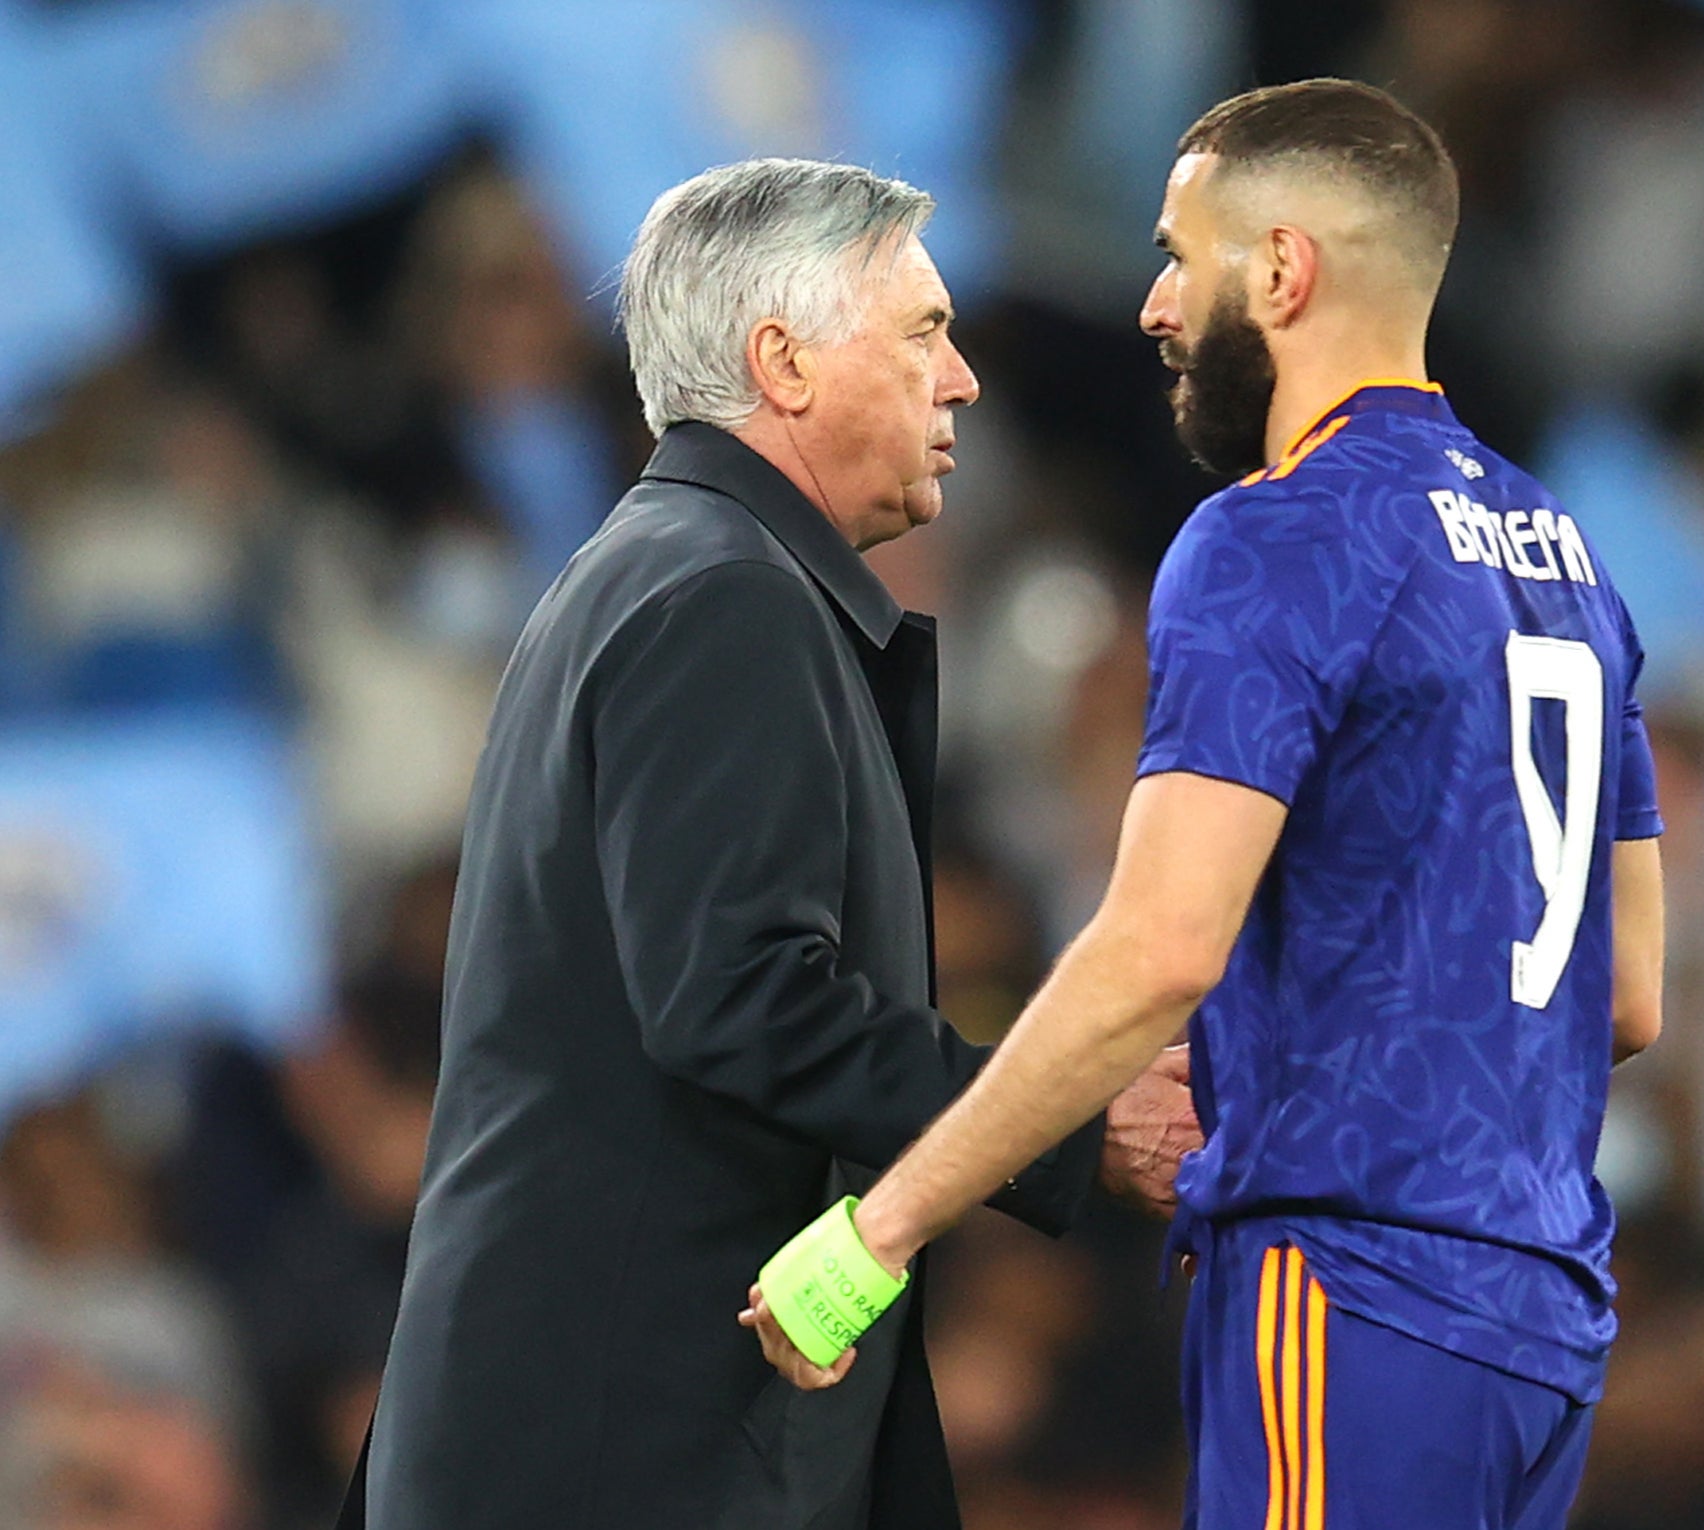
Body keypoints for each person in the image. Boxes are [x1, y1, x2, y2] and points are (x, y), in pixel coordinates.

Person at [749, 82, 1667, 1530]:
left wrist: (883, 1228)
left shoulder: (1275, 534)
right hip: (1542, 1327)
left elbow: (1159, 945)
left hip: (1355, 1289)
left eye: (1181, 254)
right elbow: (1624, 996)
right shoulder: (1569, 558)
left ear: (1284, 270)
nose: (1155, 306)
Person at [346, 158, 1199, 1530]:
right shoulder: (722, 596)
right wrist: (1073, 1115)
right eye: (924, 330)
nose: (964, 378)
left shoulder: (681, 568)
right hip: (623, 1456)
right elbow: (741, 1002)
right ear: (782, 361)